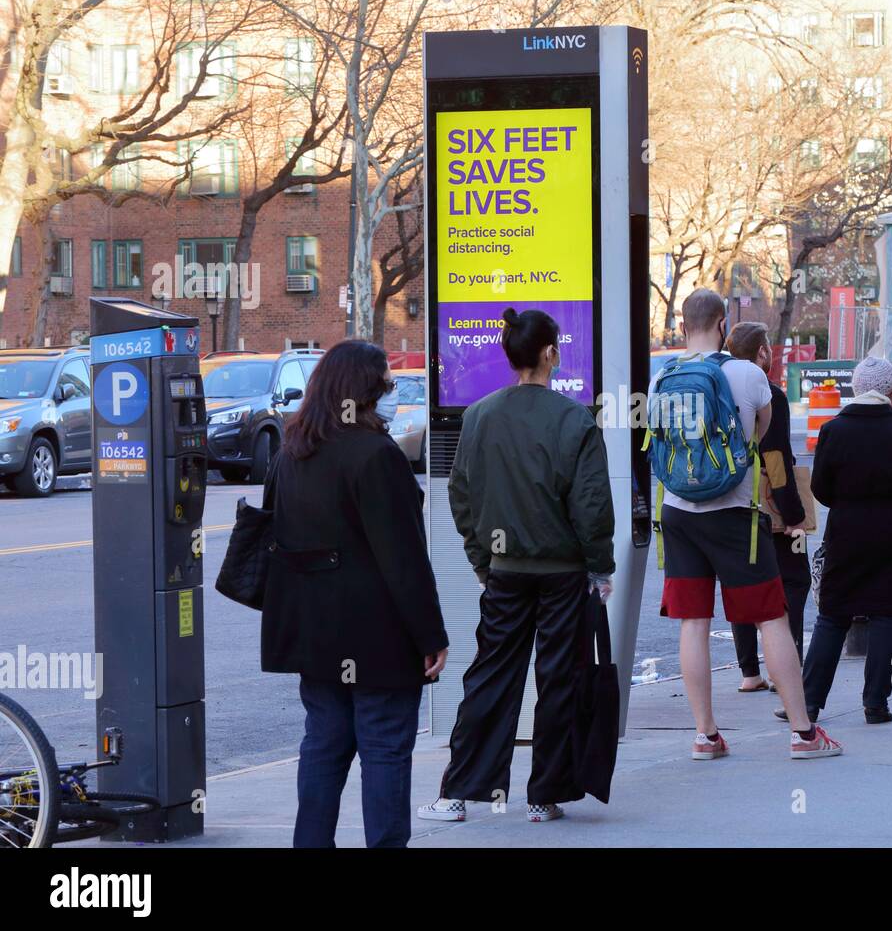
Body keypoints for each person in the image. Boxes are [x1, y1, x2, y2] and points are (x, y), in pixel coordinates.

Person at [422, 308, 616, 824]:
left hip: (505, 571)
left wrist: (483, 559)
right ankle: (544, 793)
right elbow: (592, 504)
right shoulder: (574, 419)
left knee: (490, 676)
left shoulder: (480, 415)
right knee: (558, 679)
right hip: (564, 572)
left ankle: (461, 789)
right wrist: (599, 566)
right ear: (551, 353)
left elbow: (460, 493)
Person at [260, 339, 449, 848]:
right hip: (376, 635)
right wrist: (430, 635)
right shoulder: (376, 455)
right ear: (364, 392)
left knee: (323, 745)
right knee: (385, 749)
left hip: (313, 633)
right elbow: (403, 560)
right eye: (385, 384)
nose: (390, 392)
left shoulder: (293, 450)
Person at [653, 289, 842, 760]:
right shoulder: (748, 374)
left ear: (682, 325)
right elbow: (759, 440)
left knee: (692, 622)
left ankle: (705, 735)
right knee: (771, 618)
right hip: (735, 513)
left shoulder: (663, 377)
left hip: (677, 510)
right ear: (722, 324)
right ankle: (802, 733)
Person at [799, 356, 892, 725]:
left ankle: (809, 701)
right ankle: (876, 702)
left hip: (846, 532)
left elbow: (821, 488)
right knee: (886, 615)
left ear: (855, 389)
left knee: (833, 615)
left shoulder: (833, 429)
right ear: (891, 390)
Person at [724, 322, 812, 696]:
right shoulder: (767, 393)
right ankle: (786, 666)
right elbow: (775, 458)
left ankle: (749, 672)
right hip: (766, 504)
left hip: (728, 499)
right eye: (768, 349)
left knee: (740, 582)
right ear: (761, 353)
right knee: (795, 579)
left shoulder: (719, 386)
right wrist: (793, 514)